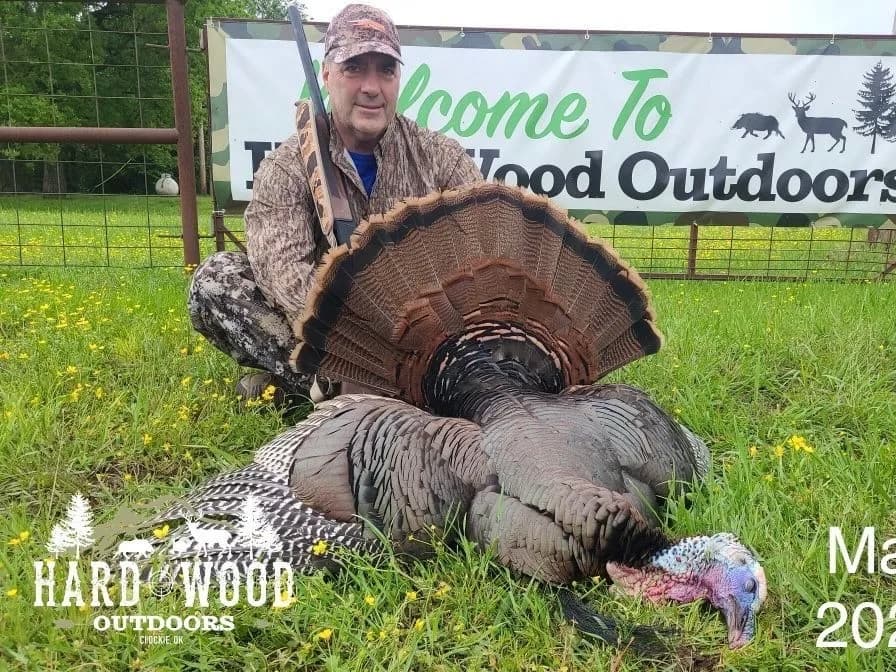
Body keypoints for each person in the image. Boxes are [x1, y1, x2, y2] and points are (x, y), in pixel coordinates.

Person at [188, 3, 483, 406]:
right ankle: (344, 387)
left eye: (386, 70)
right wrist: (361, 338)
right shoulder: (287, 165)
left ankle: (310, 390)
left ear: (398, 79)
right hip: (337, 335)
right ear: (326, 75)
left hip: (425, 334)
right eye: (354, 68)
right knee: (217, 279)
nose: (372, 87)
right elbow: (285, 276)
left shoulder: (439, 157)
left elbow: (484, 252)